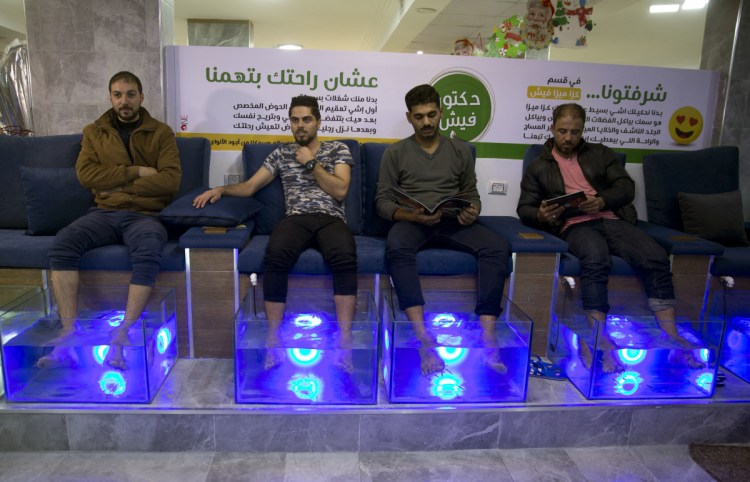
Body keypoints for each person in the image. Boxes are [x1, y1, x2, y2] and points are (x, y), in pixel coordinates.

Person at [517, 102, 704, 372]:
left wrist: (602, 200)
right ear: (552, 128)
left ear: (583, 131)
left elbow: (627, 187)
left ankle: (671, 335)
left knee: (655, 256)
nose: (568, 138)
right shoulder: (538, 166)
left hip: (609, 218)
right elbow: (524, 208)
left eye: (575, 132)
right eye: (562, 131)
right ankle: (598, 339)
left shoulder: (601, 154)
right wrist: (541, 215)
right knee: (595, 258)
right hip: (573, 225)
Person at [193, 95, 357, 372]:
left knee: (344, 256)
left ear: (318, 121)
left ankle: (345, 340)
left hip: (331, 218)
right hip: (296, 218)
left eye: (306, 120)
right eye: (295, 120)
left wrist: (311, 163)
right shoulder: (281, 154)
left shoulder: (337, 150)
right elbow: (249, 187)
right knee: (276, 256)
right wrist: (220, 189)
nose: (301, 126)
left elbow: (340, 190)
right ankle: (273, 338)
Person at [41, 71, 182, 370]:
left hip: (147, 215)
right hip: (104, 213)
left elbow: (170, 181)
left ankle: (122, 333)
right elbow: (86, 176)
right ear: (110, 98)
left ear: (142, 97)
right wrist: (136, 172)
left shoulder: (161, 132)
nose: (124, 101)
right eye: (118, 95)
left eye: (130, 94)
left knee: (148, 250)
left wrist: (114, 184)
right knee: (63, 244)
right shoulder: (94, 132)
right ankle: (69, 330)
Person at [375, 84, 511, 376]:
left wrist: (471, 210)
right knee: (397, 247)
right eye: (419, 116)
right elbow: (383, 201)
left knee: (497, 248)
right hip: (413, 220)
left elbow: (471, 193)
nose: (426, 122)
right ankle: (423, 337)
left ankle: (487, 334)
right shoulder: (395, 152)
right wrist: (409, 214)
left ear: (441, 113)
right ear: (409, 117)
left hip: (451, 220)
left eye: (431, 114)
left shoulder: (460, 149)